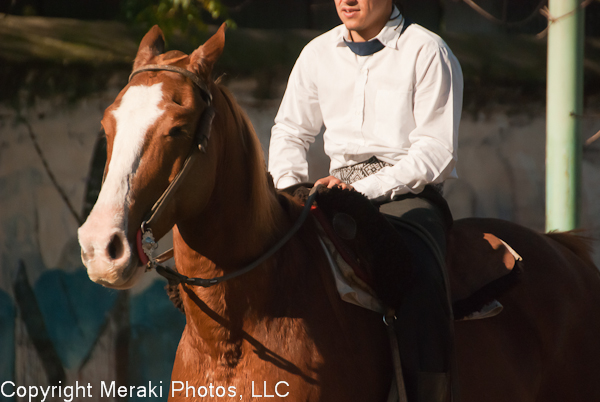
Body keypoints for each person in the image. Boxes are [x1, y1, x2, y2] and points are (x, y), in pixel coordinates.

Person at [268, 1, 463, 401]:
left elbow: (434, 152)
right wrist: (290, 192)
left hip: (406, 197)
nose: (348, 0)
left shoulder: (427, 51)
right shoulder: (316, 53)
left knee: (419, 279)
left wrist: (361, 190)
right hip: (329, 194)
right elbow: (290, 132)